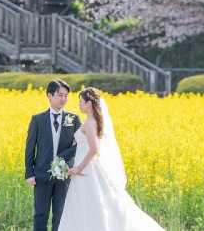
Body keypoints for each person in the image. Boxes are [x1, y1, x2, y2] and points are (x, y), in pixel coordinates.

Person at [58, 87, 164, 230]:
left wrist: (78, 167)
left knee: (88, 205)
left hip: (86, 170)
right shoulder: (91, 121)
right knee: (89, 205)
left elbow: (94, 149)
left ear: (89, 103)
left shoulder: (89, 123)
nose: (79, 105)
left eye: (81, 101)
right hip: (89, 168)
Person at [25, 79, 82, 231]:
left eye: (66, 96)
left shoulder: (73, 119)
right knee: (40, 214)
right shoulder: (37, 119)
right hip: (41, 174)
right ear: (50, 96)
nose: (63, 99)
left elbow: (81, 145)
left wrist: (62, 156)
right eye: (60, 95)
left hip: (64, 175)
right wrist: (29, 173)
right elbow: (30, 148)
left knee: (60, 215)